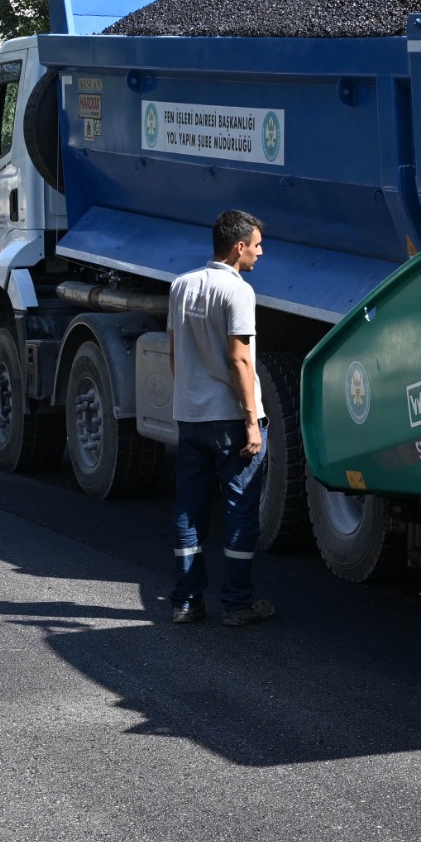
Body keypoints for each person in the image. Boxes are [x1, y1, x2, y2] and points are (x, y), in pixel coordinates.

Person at [167, 209, 274, 627]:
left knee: (188, 510)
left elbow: (176, 350)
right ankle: (237, 604)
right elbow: (240, 359)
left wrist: (188, 397)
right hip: (231, 419)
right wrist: (251, 420)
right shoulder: (238, 291)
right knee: (239, 511)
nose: (261, 253)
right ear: (239, 246)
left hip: (191, 416)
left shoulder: (181, 285)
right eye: (258, 245)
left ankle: (186, 602)